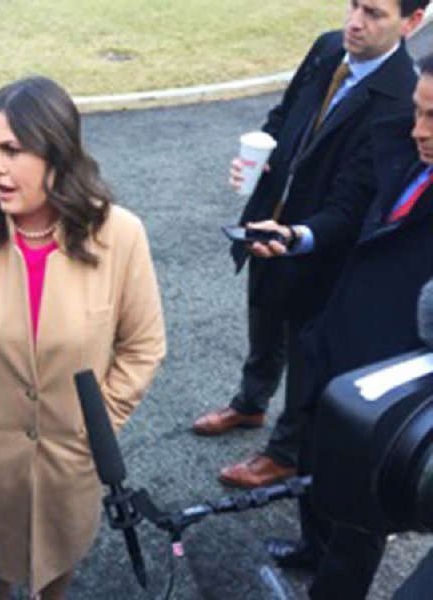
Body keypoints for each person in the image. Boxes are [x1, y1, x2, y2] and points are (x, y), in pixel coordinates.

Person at [0, 77, 166, 599]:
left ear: (57, 151)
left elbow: (143, 346)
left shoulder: (120, 234)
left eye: (12, 150)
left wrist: (94, 428)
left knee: (57, 578)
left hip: (70, 467)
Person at [193, 0, 427, 491]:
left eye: (374, 13)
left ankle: (286, 452)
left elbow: (355, 203)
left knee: (306, 351)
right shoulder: (327, 48)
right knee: (263, 320)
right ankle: (250, 404)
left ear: (412, 23)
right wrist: (257, 156)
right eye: (353, 5)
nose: (355, 22)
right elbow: (283, 117)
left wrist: (298, 238)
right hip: (271, 218)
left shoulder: (403, 98)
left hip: (321, 251)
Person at [287, 52, 433, 599]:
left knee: (361, 512)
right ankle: (309, 547)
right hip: (338, 340)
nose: (418, 131)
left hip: (388, 382)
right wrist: (297, 236)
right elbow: (349, 217)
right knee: (315, 456)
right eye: (418, 113)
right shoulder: (402, 147)